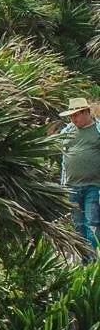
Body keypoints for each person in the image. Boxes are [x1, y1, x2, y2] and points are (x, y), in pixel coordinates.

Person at [57, 98, 100, 252]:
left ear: (86, 112)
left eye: (76, 115)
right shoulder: (67, 131)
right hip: (72, 187)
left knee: (92, 224)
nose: (73, 119)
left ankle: (93, 264)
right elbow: (63, 158)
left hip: (94, 187)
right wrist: (63, 186)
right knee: (78, 227)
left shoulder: (98, 130)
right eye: (71, 116)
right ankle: (84, 264)